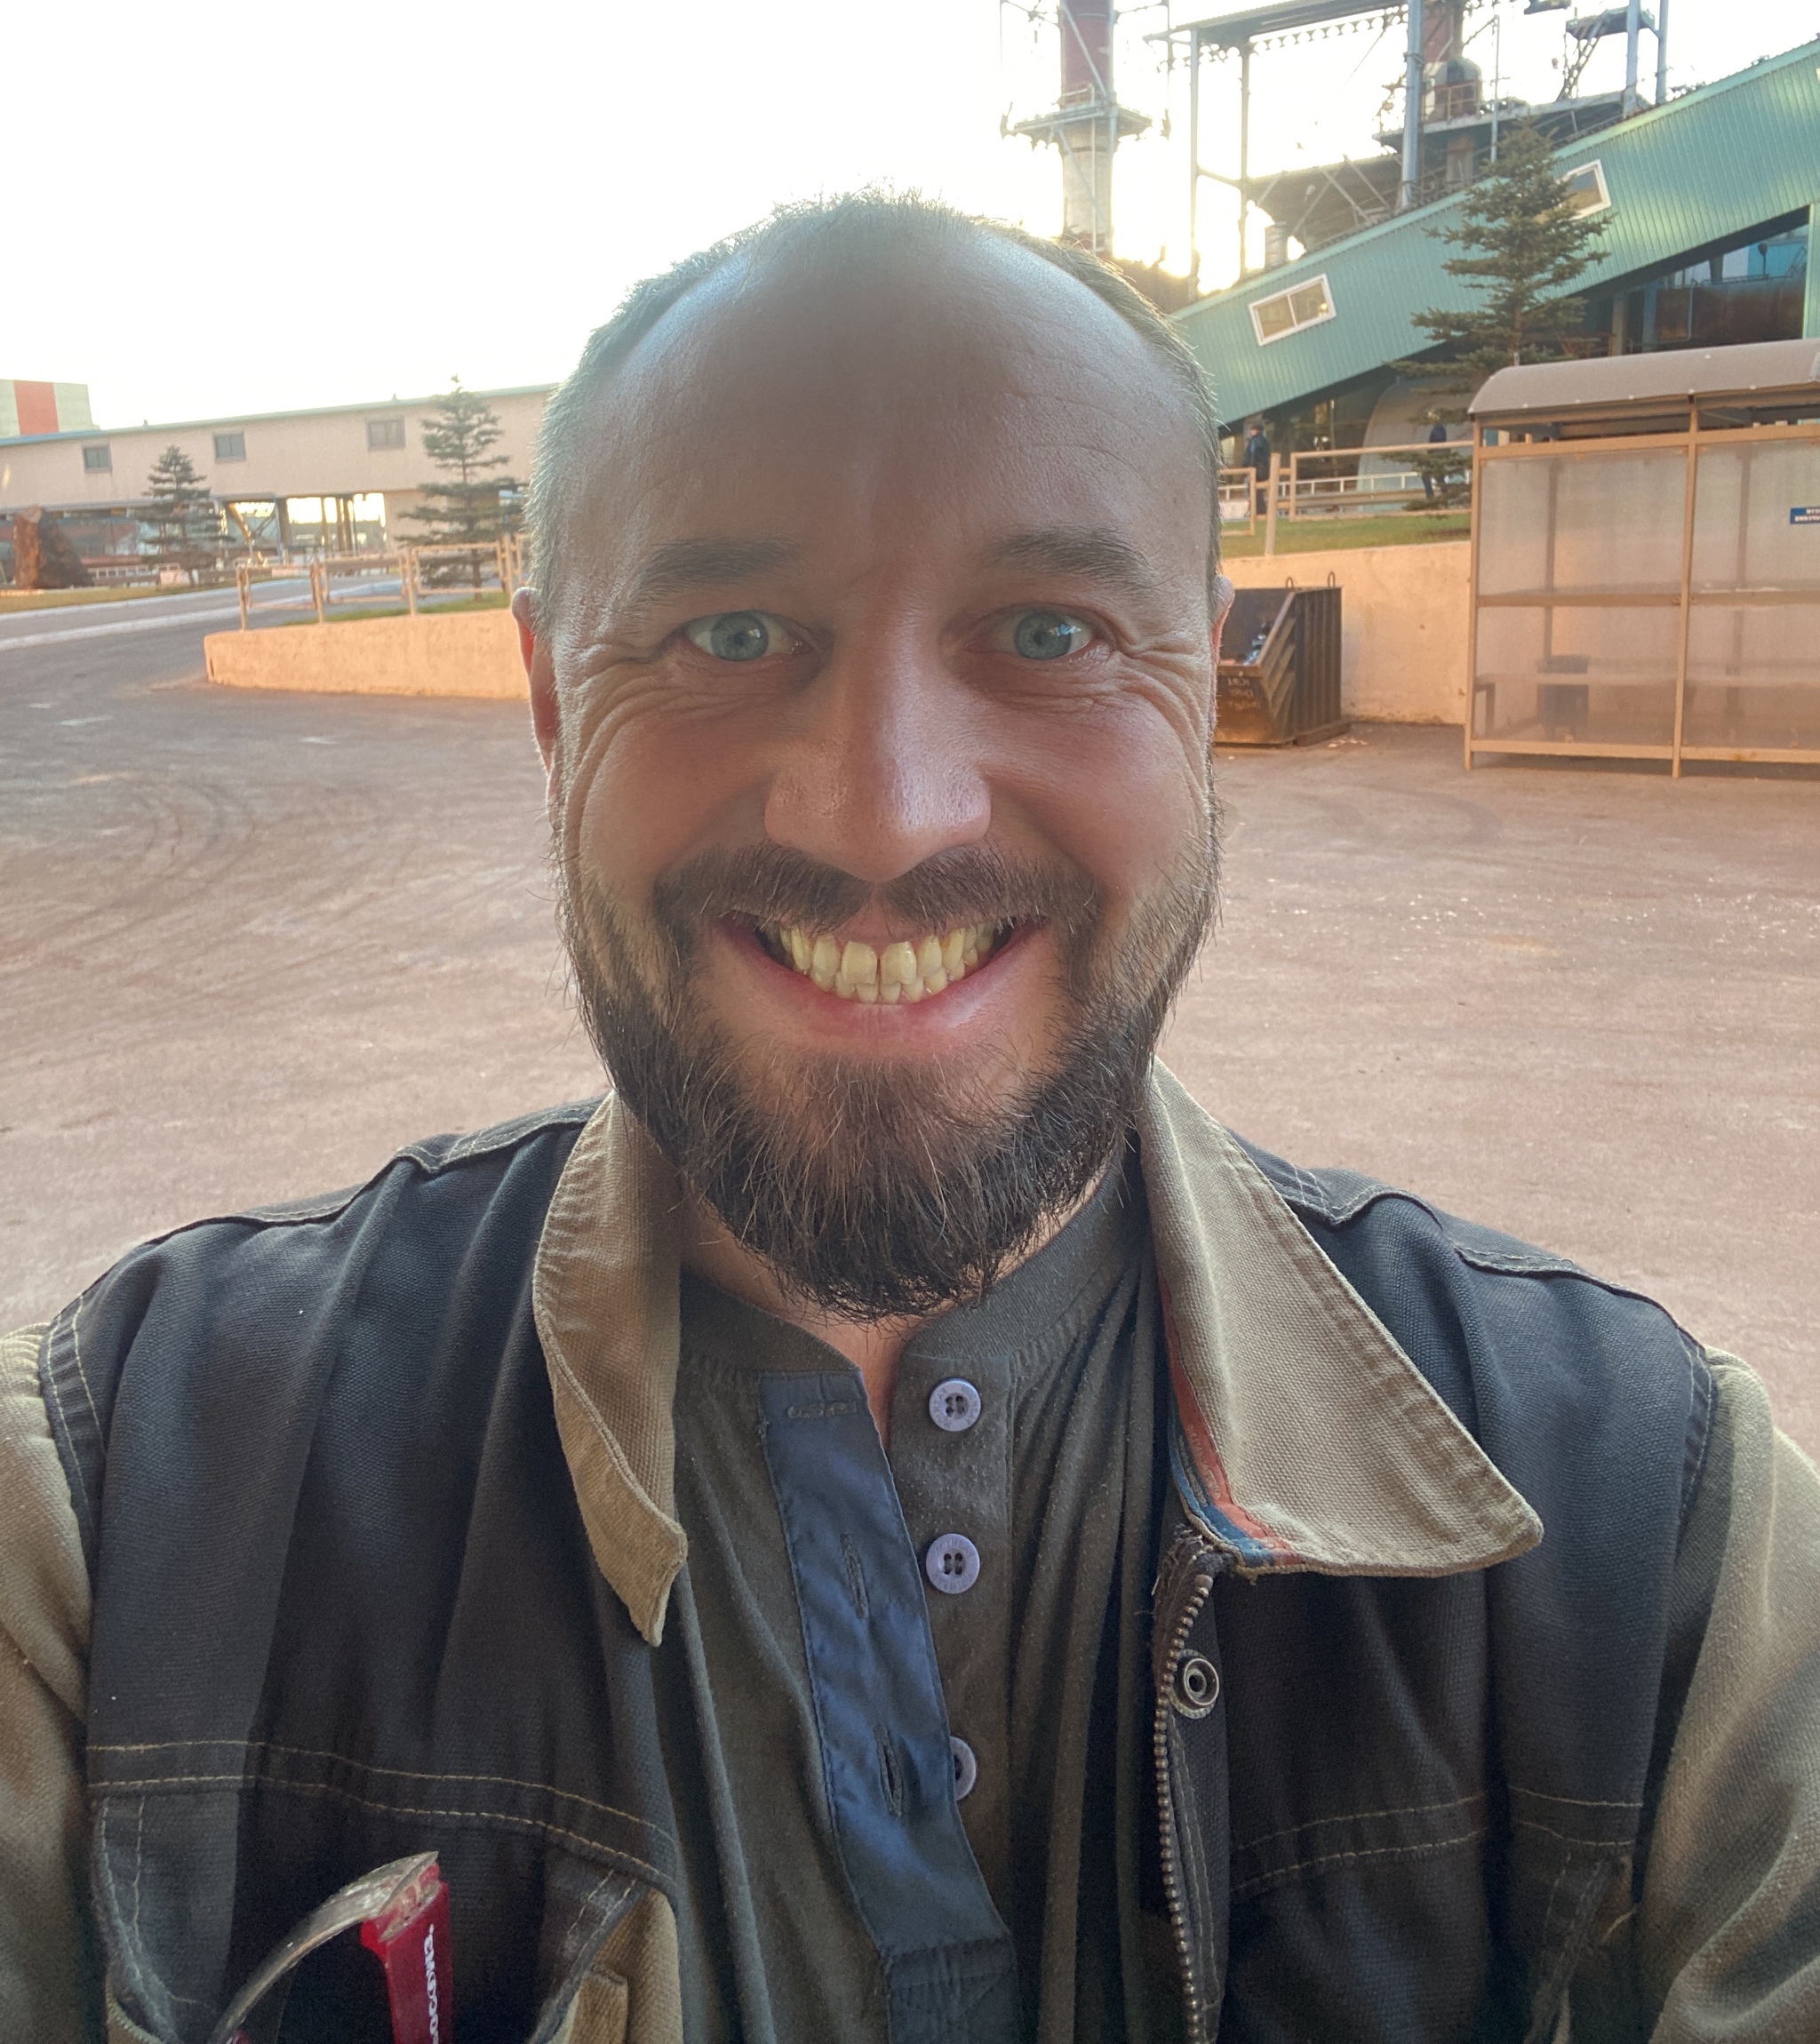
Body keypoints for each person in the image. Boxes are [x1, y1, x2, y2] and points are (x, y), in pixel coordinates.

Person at [3, 194, 1818, 2044]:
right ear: (552, 702)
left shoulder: (1661, 1526)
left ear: (1204, 687)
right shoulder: (122, 1494)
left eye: (1048, 629)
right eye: (727, 632)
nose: (882, 810)